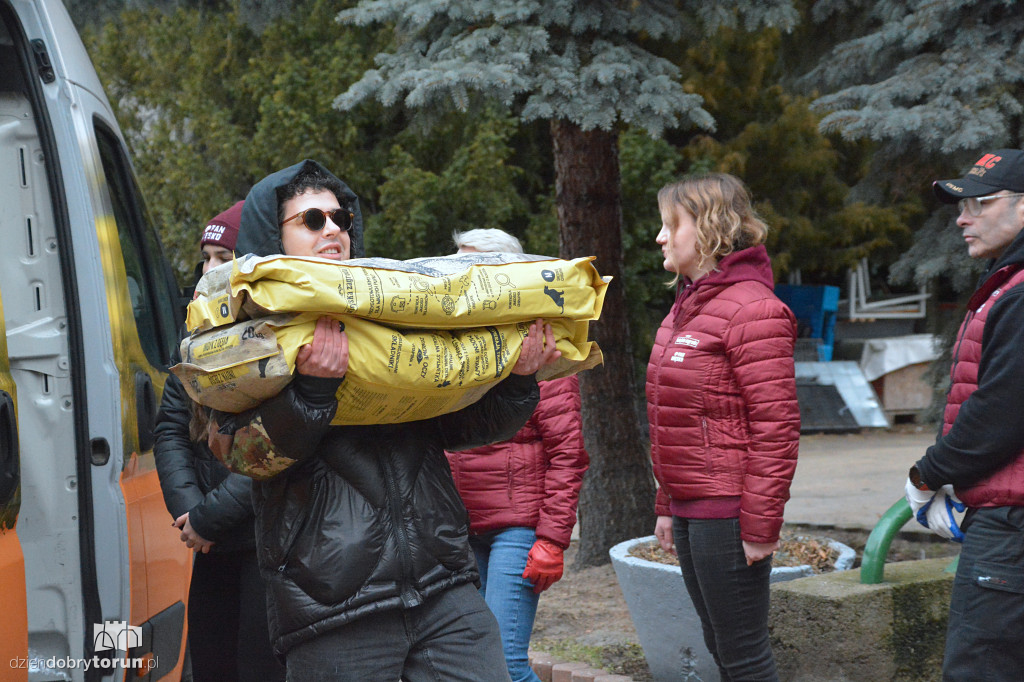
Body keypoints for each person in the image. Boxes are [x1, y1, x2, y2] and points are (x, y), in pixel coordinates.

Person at [210, 160, 561, 681]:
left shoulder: (399, 312)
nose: (332, 228)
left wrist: (514, 381)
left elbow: (462, 429)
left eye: (340, 217)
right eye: (311, 220)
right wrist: (310, 392)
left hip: (443, 588)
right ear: (272, 237)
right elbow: (241, 454)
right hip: (333, 607)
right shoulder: (239, 339)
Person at [646, 173, 800, 681]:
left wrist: (759, 525)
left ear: (710, 229)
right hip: (693, 508)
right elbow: (673, 420)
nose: (661, 237)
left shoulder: (754, 309)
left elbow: (776, 427)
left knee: (743, 655)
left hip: (728, 512)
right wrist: (668, 504)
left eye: (672, 224)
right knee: (720, 646)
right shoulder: (686, 308)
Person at [446, 228, 589, 682]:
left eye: (470, 267)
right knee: (474, 665)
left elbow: (569, 454)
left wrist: (551, 538)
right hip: (461, 531)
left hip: (517, 532)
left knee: (504, 665)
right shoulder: (453, 344)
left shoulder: (543, 347)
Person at [154, 201, 286, 682]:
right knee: (211, 666)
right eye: (205, 257)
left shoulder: (277, 333)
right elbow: (170, 427)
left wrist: (208, 518)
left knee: (258, 668)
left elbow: (275, 447)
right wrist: (189, 511)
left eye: (222, 256)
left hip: (264, 544)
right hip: (209, 545)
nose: (208, 270)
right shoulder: (195, 334)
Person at [905, 149, 1024, 681]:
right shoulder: (1007, 285)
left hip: (1011, 529)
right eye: (961, 204)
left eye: (982, 202)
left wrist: (928, 474)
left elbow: (1001, 411)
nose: (962, 217)